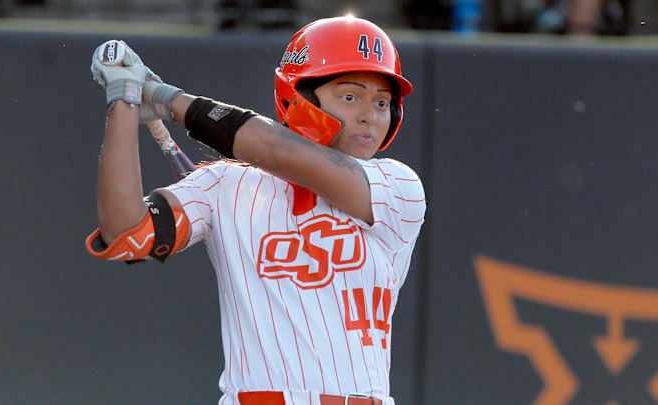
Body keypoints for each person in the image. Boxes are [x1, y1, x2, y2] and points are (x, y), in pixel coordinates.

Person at [85, 16, 425, 405]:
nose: (370, 114)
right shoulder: (223, 185)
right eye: (350, 96)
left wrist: (165, 98)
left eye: (383, 102)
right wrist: (125, 99)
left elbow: (276, 149)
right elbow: (127, 234)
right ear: (299, 97)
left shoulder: (399, 187)